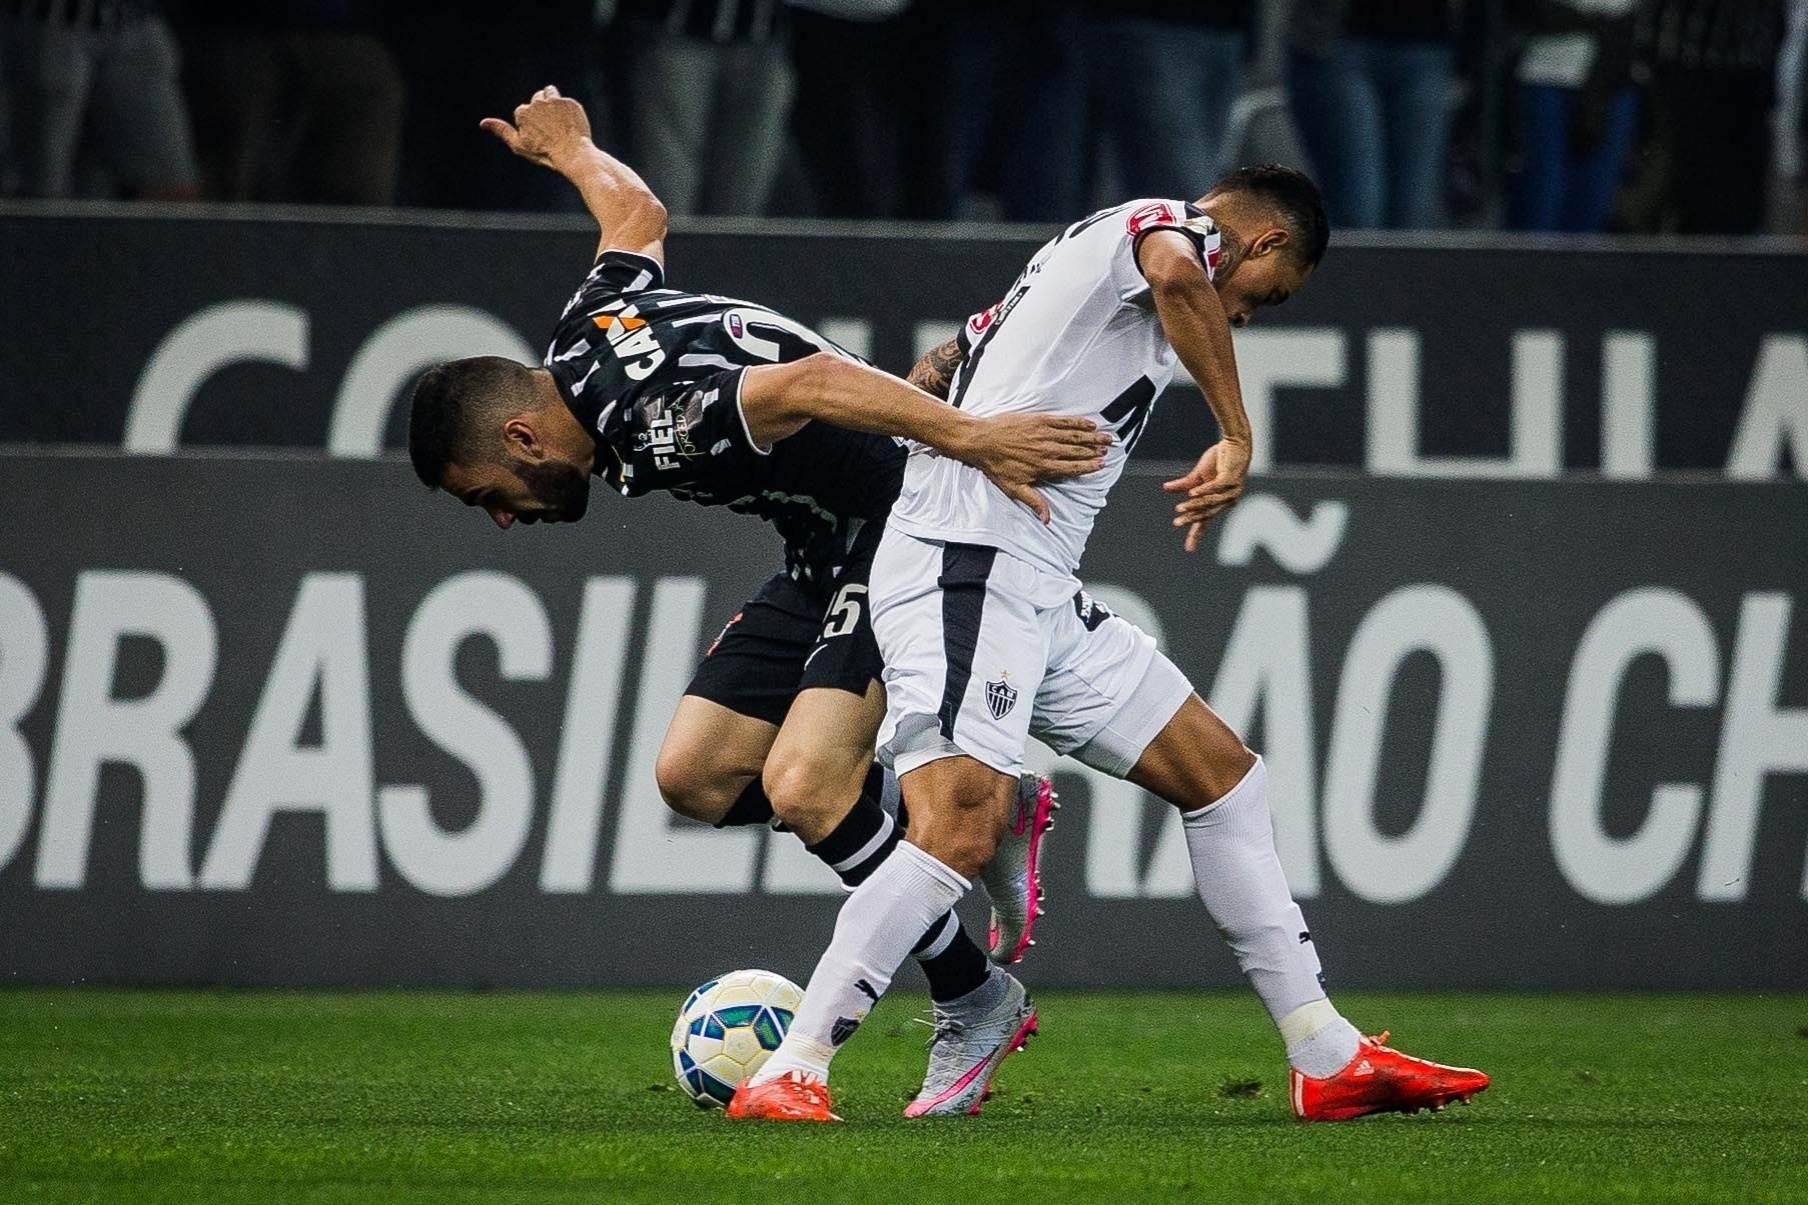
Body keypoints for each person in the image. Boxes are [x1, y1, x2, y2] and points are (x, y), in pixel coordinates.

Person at [729, 167, 1492, 1123]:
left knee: (1223, 776)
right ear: (1258, 245)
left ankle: (1327, 1054)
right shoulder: (1176, 232)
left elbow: (936, 363)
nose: (1250, 314)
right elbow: (1179, 276)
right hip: (971, 565)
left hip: (1032, 584)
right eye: (1271, 292)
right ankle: (791, 1067)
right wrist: (1235, 432)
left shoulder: (1078, 249)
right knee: (956, 826)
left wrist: (950, 434)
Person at [405, 88, 1104, 1111]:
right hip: (820, 542)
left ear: (519, 439)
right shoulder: (584, 331)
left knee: (805, 784)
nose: (504, 517)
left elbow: (810, 381)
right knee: (692, 774)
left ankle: (975, 995)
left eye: (489, 497)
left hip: (903, 527)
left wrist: (969, 437)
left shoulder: (652, 423)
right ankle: (969, 811)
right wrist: (577, 152)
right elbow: (637, 218)